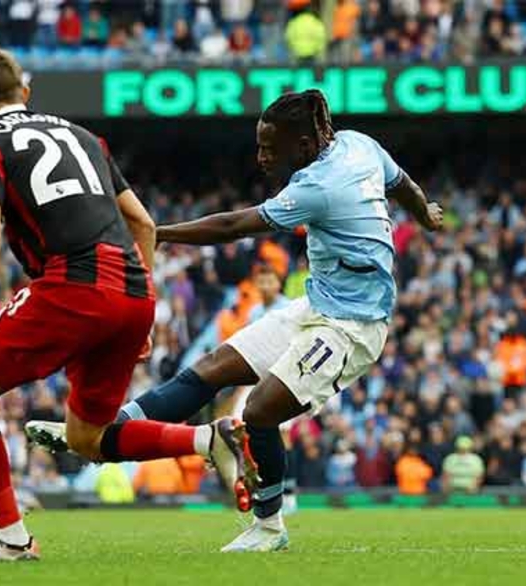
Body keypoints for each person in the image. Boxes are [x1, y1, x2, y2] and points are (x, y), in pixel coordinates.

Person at [29, 89, 442, 552]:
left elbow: (231, 228)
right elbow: (402, 182)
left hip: (351, 328)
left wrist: (158, 233)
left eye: (271, 148)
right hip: (316, 306)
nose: (261, 156)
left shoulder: (318, 186)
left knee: (260, 411)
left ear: (304, 146)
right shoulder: (360, 144)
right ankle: (104, 433)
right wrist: (425, 214)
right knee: (209, 370)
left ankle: (269, 527)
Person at [0, 49, 254, 563]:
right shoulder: (84, 137)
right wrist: (145, 303)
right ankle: (209, 439)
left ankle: (14, 540)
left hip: (73, 283)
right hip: (132, 290)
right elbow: (145, 225)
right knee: (87, 437)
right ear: (25, 92)